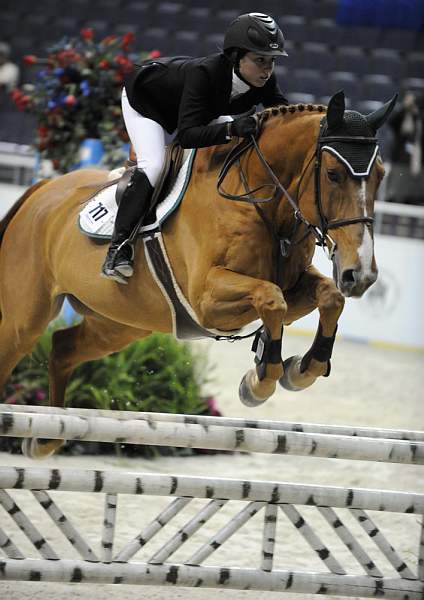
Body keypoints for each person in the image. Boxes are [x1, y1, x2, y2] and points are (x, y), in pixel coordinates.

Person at [101, 12, 289, 284]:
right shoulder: (206, 74)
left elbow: (283, 113)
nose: (267, 69)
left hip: (198, 109)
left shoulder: (263, 80)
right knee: (153, 166)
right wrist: (231, 128)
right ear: (236, 57)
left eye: (271, 61)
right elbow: (187, 135)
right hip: (147, 103)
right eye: (260, 60)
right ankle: (117, 250)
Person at [385, 91, 424, 205]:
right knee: (396, 197)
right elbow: (391, 122)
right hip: (400, 163)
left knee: (417, 198)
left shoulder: (420, 118)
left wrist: (417, 113)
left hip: (419, 164)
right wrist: (405, 108)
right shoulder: (402, 117)